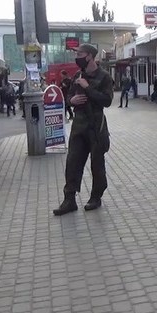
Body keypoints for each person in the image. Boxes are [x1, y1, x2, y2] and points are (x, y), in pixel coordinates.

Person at [53, 44, 114, 215]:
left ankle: (96, 196)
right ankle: (69, 199)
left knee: (97, 163)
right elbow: (68, 96)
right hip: (79, 125)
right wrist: (72, 101)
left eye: (80, 54)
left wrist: (87, 87)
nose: (77, 56)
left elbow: (107, 101)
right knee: (73, 162)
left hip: (96, 125)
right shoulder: (77, 75)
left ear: (89, 56)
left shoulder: (104, 77)